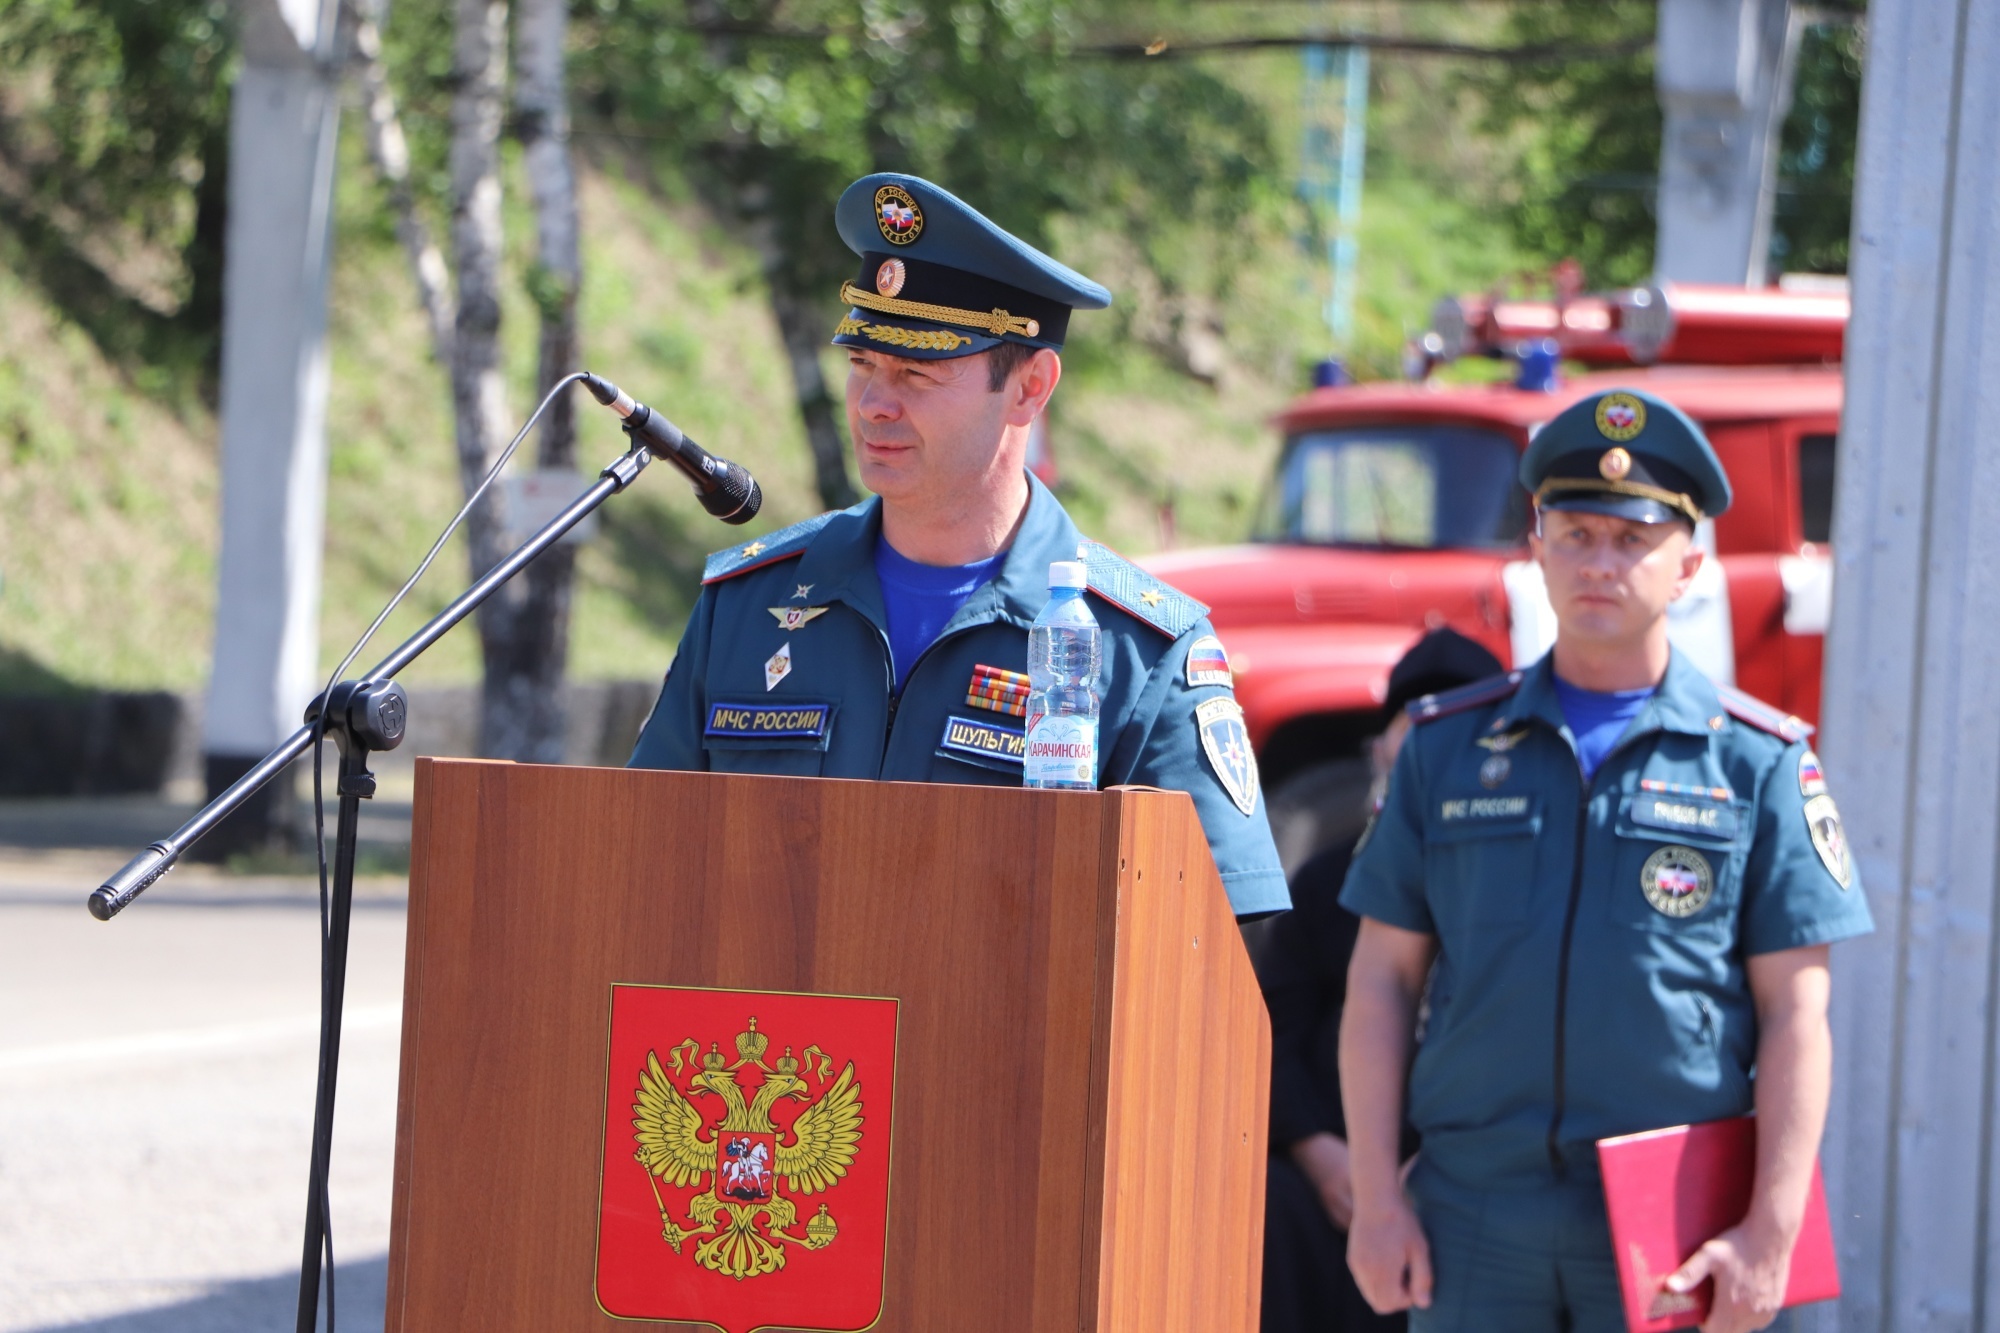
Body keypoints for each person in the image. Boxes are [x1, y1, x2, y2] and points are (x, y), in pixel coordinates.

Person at [1338, 388, 1874, 1333]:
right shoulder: (1445, 747)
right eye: (1577, 533)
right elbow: (1381, 979)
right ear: (1536, 546)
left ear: (1690, 564)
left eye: (1632, 540)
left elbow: (1800, 1010)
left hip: (1671, 1212)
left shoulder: (1759, 761)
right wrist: (1377, 1200)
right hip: (1474, 1209)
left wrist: (1772, 1226)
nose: (1600, 563)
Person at [628, 173, 1288, 919]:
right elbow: (646, 866)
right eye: (863, 366)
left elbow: (1213, 945)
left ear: (1030, 386)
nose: (876, 402)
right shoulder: (747, 608)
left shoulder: (1141, 652)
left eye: (917, 371)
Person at [1256, 628, 1501, 1333]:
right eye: (1401, 768)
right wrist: (1317, 1149)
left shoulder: (1518, 887)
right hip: (1329, 1167)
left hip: (1461, 1169)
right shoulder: (1330, 881)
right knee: (1263, 1206)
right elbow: (1273, 1026)